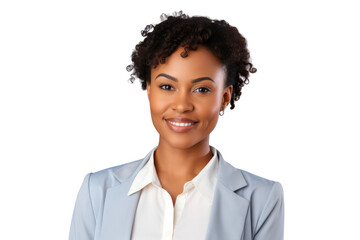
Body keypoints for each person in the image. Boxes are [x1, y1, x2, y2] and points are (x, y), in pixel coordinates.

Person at [69, 10, 284, 240]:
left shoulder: (262, 200)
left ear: (224, 97)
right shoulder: (97, 192)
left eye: (201, 89)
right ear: (149, 90)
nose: (181, 105)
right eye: (167, 87)